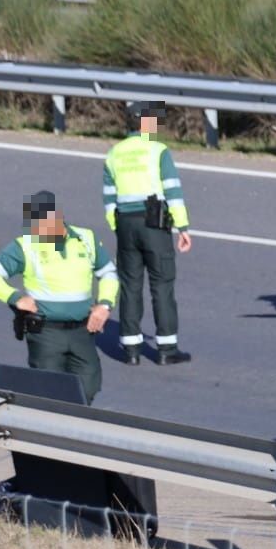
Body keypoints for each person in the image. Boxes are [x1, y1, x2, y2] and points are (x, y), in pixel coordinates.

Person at [0, 190, 118, 404]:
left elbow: (108, 273)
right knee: (51, 393)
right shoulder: (26, 245)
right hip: (46, 333)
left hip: (83, 330)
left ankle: (73, 427)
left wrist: (105, 306)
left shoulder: (86, 239)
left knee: (89, 384)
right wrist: (15, 297)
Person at [104, 101, 194, 365]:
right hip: (154, 223)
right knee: (162, 285)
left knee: (130, 285)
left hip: (125, 224)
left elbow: (108, 197)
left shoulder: (114, 153)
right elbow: (173, 190)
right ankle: (167, 349)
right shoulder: (158, 151)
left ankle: (131, 349)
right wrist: (183, 227)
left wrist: (117, 226)